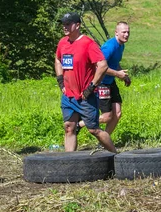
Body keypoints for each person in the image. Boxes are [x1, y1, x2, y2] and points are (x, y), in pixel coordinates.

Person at [55, 12, 117, 153]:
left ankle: (115, 156)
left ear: (77, 25)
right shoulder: (62, 43)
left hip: (85, 96)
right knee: (69, 127)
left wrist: (91, 86)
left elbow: (102, 65)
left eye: (68, 24)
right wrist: (60, 81)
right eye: (63, 24)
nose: (64, 27)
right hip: (68, 96)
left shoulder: (88, 43)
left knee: (93, 129)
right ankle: (70, 162)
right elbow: (58, 59)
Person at [78, 22, 131, 135]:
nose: (126, 35)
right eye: (124, 32)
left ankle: (104, 141)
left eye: (128, 32)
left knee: (117, 114)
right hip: (102, 83)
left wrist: (124, 76)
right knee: (107, 117)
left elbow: (114, 62)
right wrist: (117, 74)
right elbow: (99, 66)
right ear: (116, 33)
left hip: (110, 81)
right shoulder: (109, 46)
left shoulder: (121, 45)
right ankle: (79, 124)